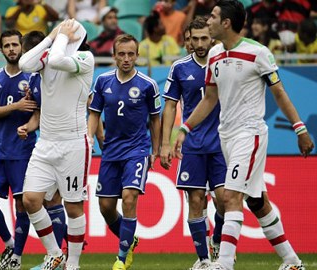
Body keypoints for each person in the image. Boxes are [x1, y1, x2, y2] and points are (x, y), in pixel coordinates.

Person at [173, 1, 315, 269]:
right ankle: (292, 261)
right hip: (226, 136)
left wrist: (300, 128)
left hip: (249, 134)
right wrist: (185, 128)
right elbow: (210, 98)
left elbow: (280, 93)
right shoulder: (215, 54)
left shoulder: (258, 53)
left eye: (214, 16)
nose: (209, 20)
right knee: (258, 201)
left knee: (230, 197)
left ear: (226, 23)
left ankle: (224, 263)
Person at [19, 19, 94, 270]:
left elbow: (56, 61)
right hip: (46, 143)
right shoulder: (49, 54)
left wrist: (60, 38)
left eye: (68, 31)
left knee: (73, 206)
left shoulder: (85, 58)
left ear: (76, 36)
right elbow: (24, 63)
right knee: (30, 199)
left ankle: (73, 264)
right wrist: (52, 37)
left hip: (73, 143)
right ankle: (54, 254)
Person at [87, 34, 161, 270]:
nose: (126, 58)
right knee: (106, 207)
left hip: (137, 150)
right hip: (111, 152)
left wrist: (155, 150)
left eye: (131, 54)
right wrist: (91, 138)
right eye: (122, 54)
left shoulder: (148, 85)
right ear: (114, 56)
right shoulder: (102, 81)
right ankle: (129, 239)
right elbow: (95, 113)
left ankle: (121, 258)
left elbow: (155, 118)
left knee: (129, 198)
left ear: (137, 56)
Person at [160, 17, 225, 269]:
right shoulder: (179, 67)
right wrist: (166, 143)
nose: (199, 43)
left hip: (222, 142)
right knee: (196, 201)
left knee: (223, 200)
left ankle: (217, 241)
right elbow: (169, 106)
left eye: (204, 38)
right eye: (194, 38)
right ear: (188, 39)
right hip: (193, 145)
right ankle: (204, 260)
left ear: (212, 37)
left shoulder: (224, 62)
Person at [0, 29, 36, 270]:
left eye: (15, 44)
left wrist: (29, 123)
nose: (11, 49)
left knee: (21, 205)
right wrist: (18, 106)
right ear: (1, 50)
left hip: (23, 151)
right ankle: (9, 243)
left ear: (21, 47)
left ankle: (17, 258)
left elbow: (39, 111)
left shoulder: (33, 77)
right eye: (7, 46)